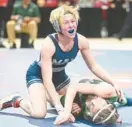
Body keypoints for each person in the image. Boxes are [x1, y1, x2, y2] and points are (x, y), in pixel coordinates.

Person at [0, 5, 123, 124]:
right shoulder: (49, 44)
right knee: (39, 113)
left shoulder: (81, 41)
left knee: (75, 99)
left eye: (73, 21)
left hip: (59, 76)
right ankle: (16, 100)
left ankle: (48, 97)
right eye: (66, 23)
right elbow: (47, 80)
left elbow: (93, 66)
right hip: (38, 75)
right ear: (57, 26)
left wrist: (113, 82)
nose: (71, 25)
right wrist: (61, 110)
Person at [54, 78, 132, 125]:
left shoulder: (88, 115)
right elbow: (74, 87)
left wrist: (76, 112)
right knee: (122, 99)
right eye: (97, 102)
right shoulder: (107, 92)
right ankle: (123, 99)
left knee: (59, 101)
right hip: (89, 87)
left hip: (80, 99)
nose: (92, 102)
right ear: (106, 102)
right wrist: (66, 112)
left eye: (91, 107)